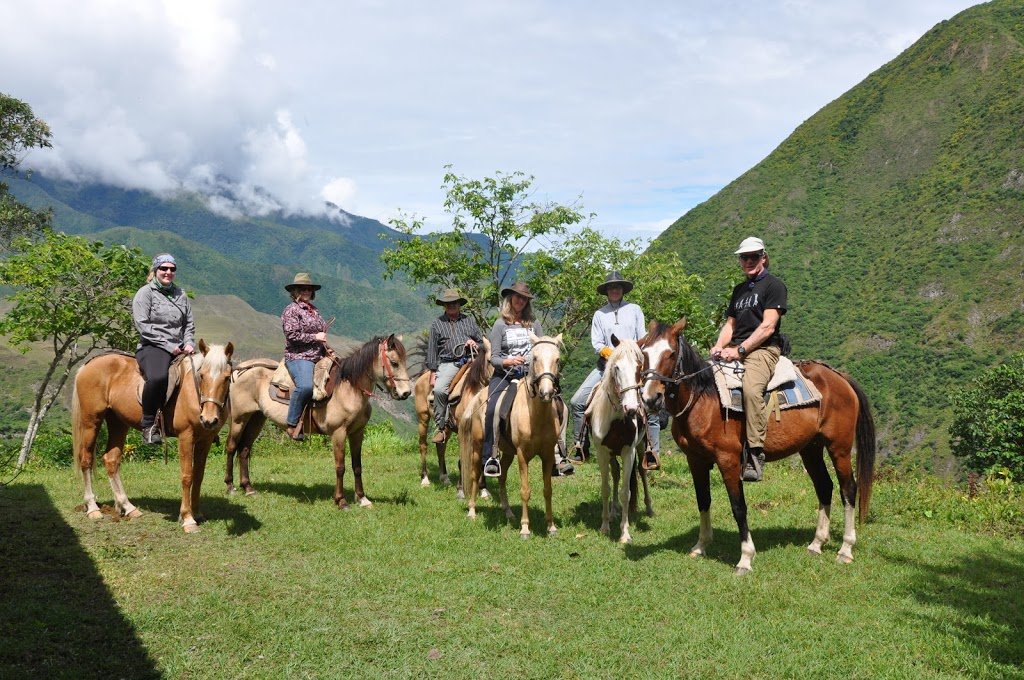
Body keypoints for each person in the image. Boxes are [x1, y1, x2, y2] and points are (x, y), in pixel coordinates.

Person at [710, 236, 788, 482]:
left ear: (763, 257)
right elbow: (730, 325)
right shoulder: (739, 290)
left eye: (754, 256)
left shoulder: (774, 286)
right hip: (736, 348)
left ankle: (755, 453)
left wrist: (740, 351)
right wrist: (719, 346)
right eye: (744, 257)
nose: (748, 261)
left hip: (763, 350)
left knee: (752, 390)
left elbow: (768, 326)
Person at [569, 271, 661, 469]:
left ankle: (652, 451)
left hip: (633, 367)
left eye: (617, 287)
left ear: (623, 290)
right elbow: (597, 343)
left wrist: (631, 353)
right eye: (611, 287)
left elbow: (643, 336)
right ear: (607, 291)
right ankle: (580, 445)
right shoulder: (599, 314)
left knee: (649, 403)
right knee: (577, 402)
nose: (614, 290)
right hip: (607, 366)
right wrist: (613, 354)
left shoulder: (635, 309)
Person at [481, 282, 574, 478]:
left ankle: (559, 456)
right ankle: (491, 456)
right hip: (505, 374)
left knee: (562, 408)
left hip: (532, 376)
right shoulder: (500, 324)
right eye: (517, 297)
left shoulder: (534, 323)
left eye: (524, 298)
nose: (520, 301)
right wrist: (508, 361)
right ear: (510, 298)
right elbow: (494, 358)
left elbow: (542, 348)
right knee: (493, 409)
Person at [132, 253, 195, 445]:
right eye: (164, 268)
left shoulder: (181, 294)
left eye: (172, 269)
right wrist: (169, 345)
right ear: (156, 270)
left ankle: (202, 420)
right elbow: (142, 325)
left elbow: (189, 324)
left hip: (181, 347)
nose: (168, 272)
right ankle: (149, 425)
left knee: (205, 374)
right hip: (153, 346)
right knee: (158, 377)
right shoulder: (145, 293)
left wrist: (189, 342)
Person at [426, 288, 483, 444]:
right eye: (448, 303)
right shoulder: (437, 324)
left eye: (454, 303)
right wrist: (433, 371)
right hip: (449, 363)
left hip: (471, 360)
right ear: (444, 305)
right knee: (439, 390)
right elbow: (432, 349)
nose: (451, 305)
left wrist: (474, 344)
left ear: (459, 304)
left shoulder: (469, 321)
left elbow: (482, 343)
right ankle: (441, 427)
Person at [281, 272, 329, 441]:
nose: (306, 291)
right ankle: (292, 423)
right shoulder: (291, 310)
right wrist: (315, 337)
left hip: (318, 355)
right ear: (295, 291)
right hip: (299, 356)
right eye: (303, 288)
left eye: (309, 289)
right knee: (305, 387)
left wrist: (327, 349)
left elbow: (321, 334)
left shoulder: (314, 310)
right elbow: (292, 335)